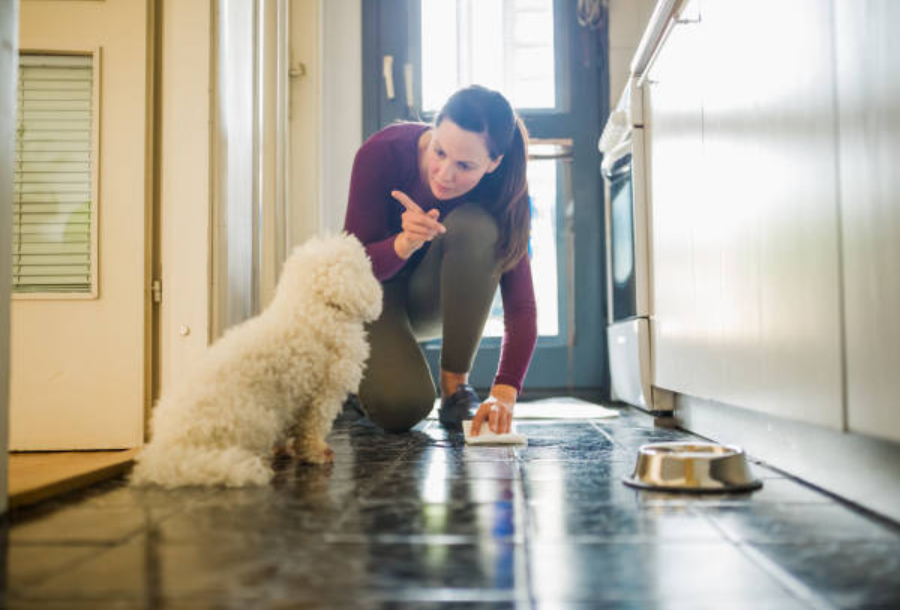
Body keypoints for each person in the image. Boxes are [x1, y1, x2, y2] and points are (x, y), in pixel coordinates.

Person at [343, 85, 537, 436]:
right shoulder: (381, 154)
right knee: (401, 407)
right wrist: (402, 244)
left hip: (431, 299)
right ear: (432, 130)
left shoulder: (504, 191)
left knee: (477, 227)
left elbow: (521, 306)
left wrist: (504, 394)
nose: (445, 174)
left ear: (493, 164)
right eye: (439, 152)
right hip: (375, 295)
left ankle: (455, 389)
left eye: (465, 165)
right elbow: (349, 269)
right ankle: (358, 384)